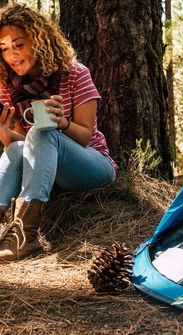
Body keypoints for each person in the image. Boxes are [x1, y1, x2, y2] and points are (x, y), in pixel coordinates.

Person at [0, 3, 116, 262]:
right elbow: (22, 148)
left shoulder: (75, 74)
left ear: (39, 40)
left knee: (43, 132)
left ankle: (25, 236)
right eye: (4, 49)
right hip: (46, 169)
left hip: (91, 163)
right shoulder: (8, 87)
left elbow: (85, 136)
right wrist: (4, 133)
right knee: (18, 146)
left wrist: (61, 122)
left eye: (19, 45)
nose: (12, 55)